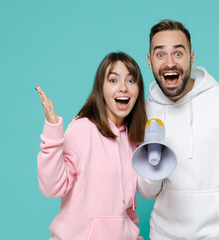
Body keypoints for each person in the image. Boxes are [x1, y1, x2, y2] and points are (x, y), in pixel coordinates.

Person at [137, 20, 219, 240]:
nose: (170, 63)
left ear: (191, 57)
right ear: (150, 62)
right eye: (160, 55)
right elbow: (147, 191)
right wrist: (154, 156)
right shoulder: (144, 110)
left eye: (178, 53)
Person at [36, 52, 146, 240]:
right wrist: (53, 130)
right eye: (113, 80)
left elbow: (127, 210)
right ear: (101, 88)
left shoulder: (133, 140)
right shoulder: (83, 128)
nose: (123, 88)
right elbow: (52, 187)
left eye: (131, 81)